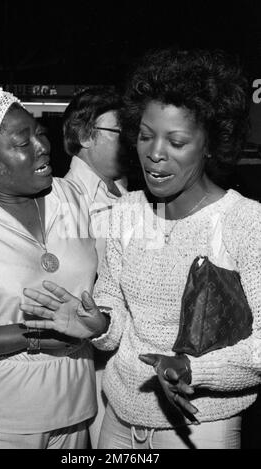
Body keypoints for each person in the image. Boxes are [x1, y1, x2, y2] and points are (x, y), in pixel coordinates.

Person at [21, 48, 261, 449]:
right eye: (146, 136)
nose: (154, 153)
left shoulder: (245, 223)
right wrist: (98, 324)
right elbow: (114, 312)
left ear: (210, 144)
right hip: (118, 420)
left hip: (200, 428)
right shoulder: (127, 212)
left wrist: (190, 368)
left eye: (177, 140)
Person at [0, 87, 98, 449]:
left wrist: (99, 321)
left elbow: (98, 290)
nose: (42, 146)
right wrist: (32, 335)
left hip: (75, 410)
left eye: (39, 133)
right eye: (23, 143)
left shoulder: (69, 197)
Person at [62, 86, 127, 448]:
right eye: (121, 131)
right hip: (95, 358)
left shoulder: (132, 193)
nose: (132, 141)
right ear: (86, 136)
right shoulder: (66, 199)